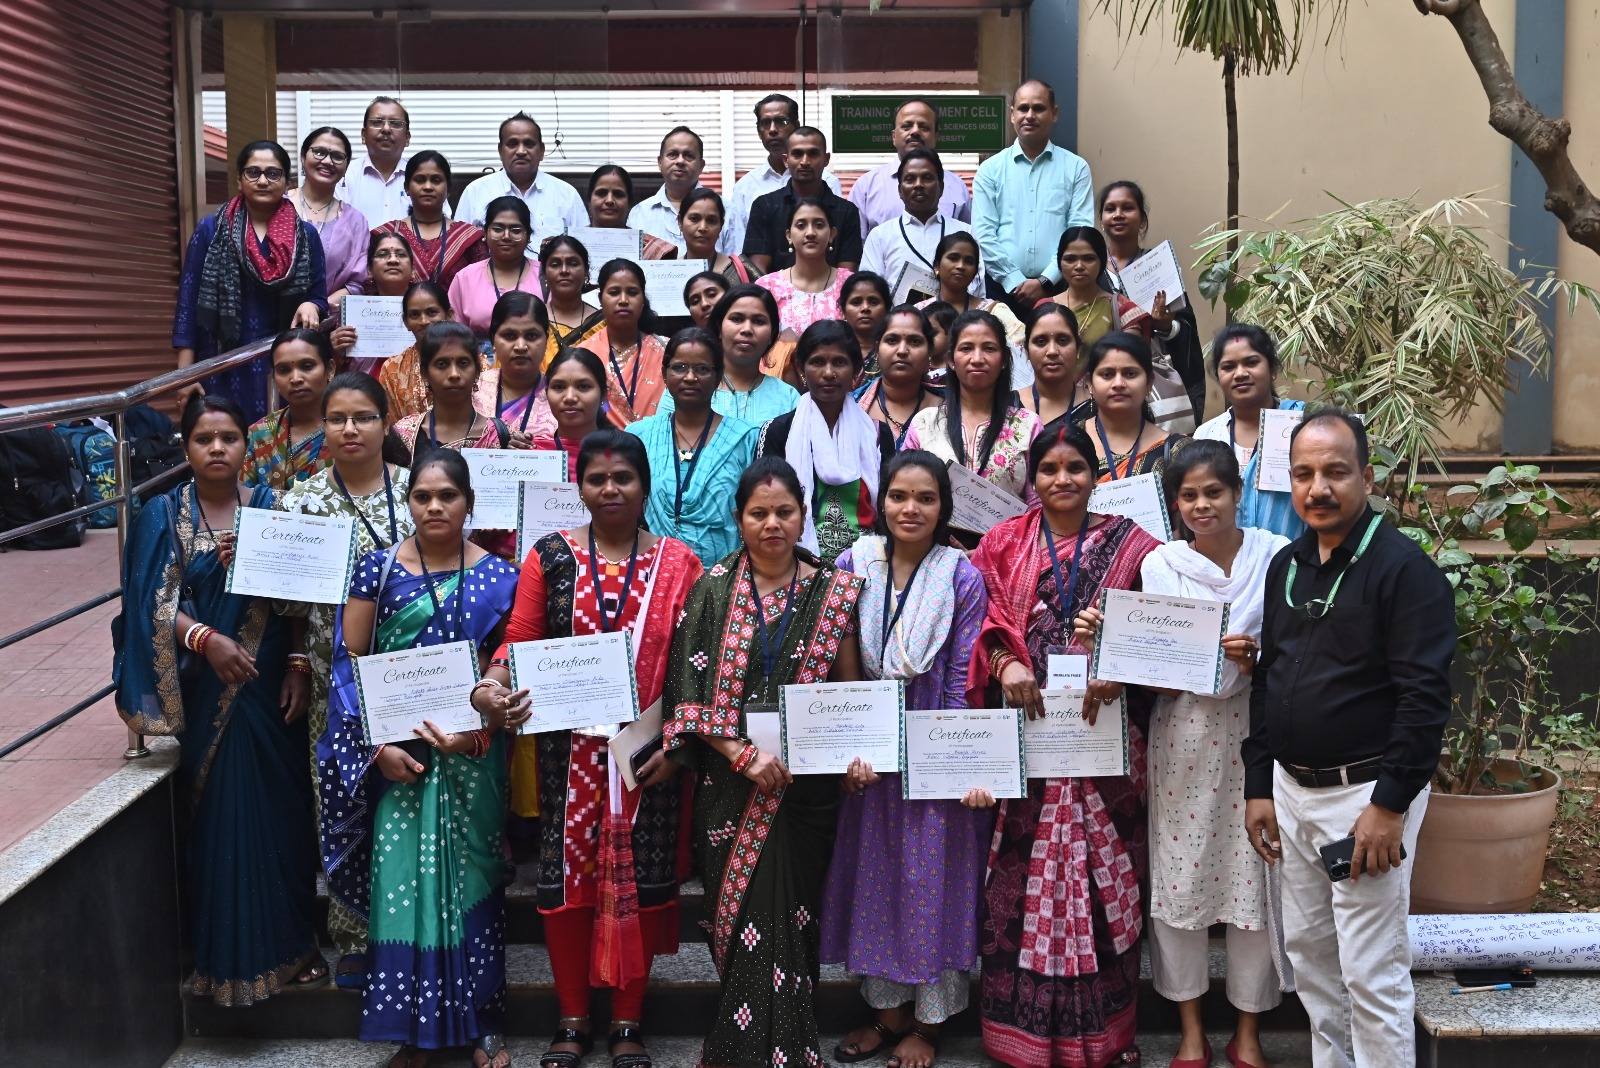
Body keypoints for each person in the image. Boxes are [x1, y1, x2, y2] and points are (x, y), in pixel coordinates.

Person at [469, 430, 704, 1068]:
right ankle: (572, 1018)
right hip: (566, 756)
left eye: (623, 478)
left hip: (647, 758)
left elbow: (696, 665)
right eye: (597, 479)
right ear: (580, 488)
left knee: (643, 883)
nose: (610, 489)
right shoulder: (550, 556)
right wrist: (491, 687)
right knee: (567, 883)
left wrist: (679, 748)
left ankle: (628, 1022)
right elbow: (518, 639)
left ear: (645, 487)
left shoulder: (680, 564)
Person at [1243, 409, 1454, 1068]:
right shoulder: (1287, 565)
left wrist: (1388, 806)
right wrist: (1259, 786)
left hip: (1364, 799)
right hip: (1291, 792)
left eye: (1335, 472)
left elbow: (1424, 699)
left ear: (1367, 476)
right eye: (1303, 474)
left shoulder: (1404, 571)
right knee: (1311, 961)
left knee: (1370, 972)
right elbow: (1268, 679)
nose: (1318, 489)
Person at [1075, 439, 1288, 1068]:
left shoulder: (1276, 558)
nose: (1202, 505)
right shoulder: (1162, 564)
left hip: (1257, 734)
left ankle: (1248, 1032)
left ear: (1237, 493)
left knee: (1257, 878)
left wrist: (1256, 655)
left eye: (1213, 492)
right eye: (1188, 496)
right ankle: (1191, 1030)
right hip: (1184, 738)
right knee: (1179, 879)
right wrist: (1109, 641)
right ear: (1173, 504)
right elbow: (1153, 666)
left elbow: (1297, 651)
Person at [114, 394, 323, 1005]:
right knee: (222, 821)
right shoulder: (162, 514)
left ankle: (291, 945)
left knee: (281, 815)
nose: (216, 448)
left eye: (228, 437)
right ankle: (228, 958)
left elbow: (297, 598)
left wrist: (296, 666)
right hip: (207, 689)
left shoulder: (272, 507)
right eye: (204, 439)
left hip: (268, 683)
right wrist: (205, 639)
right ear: (186, 448)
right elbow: (148, 603)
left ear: (245, 445)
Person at [969, 424, 1162, 1068]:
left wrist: (1118, 659)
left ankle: (1105, 1035)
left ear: (1095, 474)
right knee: (1021, 886)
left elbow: (1163, 632)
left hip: (1106, 747)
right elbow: (982, 620)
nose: (1062, 479)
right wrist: (1006, 665)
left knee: (1108, 890)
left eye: (1075, 467)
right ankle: (1022, 1037)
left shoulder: (1136, 546)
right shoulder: (1002, 542)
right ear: (1031, 477)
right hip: (1029, 746)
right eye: (1048, 469)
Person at [663, 457, 866, 1068]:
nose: (772, 524)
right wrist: (740, 754)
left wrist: (858, 753)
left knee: (793, 918)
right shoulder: (711, 589)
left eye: (784, 512)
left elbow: (849, 693)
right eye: (758, 513)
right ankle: (744, 1048)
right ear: (739, 518)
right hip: (732, 787)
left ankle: (788, 1046)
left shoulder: (834, 590)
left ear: (804, 516)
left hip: (806, 791)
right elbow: (685, 694)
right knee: (744, 917)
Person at [324, 448, 521, 1068]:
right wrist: (375, 747)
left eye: (447, 496)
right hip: (397, 761)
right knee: (404, 887)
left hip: (471, 757)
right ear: (407, 502)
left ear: (470, 504)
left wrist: (481, 725)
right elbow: (348, 662)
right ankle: (414, 1030)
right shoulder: (376, 570)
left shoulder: (502, 577)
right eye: (422, 496)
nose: (434, 507)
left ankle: (484, 1022)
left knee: (474, 884)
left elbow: (506, 665)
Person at [822, 452, 992, 1068]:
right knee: (878, 876)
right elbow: (839, 660)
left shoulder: (961, 575)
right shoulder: (855, 563)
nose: (910, 509)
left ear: (944, 507)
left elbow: (962, 677)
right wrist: (850, 745)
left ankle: (930, 1020)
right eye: (898, 496)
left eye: (925, 498)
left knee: (930, 879)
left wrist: (959, 764)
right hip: (871, 745)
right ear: (881, 501)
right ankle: (886, 1013)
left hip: (933, 742)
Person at [279, 372, 416, 989]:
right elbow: (288, 605)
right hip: (334, 687)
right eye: (337, 419)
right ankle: (354, 935)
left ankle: (413, 927)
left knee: (409, 804)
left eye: (363, 417)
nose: (350, 429)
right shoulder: (300, 503)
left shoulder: (417, 490)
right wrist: (296, 660)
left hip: (414, 678)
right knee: (341, 802)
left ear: (386, 423)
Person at [173, 140, 327, 423]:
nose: (263, 181)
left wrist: (311, 305)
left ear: (287, 182)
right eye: (253, 172)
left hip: (283, 365)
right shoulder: (211, 230)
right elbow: (188, 303)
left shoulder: (305, 236)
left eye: (273, 173)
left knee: (279, 442)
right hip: (221, 361)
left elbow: (318, 295)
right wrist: (184, 376)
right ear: (239, 180)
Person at [756, 321, 896, 562]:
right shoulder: (778, 431)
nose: (829, 372)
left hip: (868, 566)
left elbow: (887, 506)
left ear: (856, 370)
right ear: (801, 367)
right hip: (797, 564)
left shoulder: (877, 435)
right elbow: (766, 503)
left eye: (839, 362)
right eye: (817, 362)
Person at [628, 327, 758, 566]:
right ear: (664, 374)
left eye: (702, 369)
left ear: (718, 376)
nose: (690, 377)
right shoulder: (639, 436)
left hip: (722, 577)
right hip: (651, 573)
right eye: (679, 367)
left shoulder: (746, 439)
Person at [971, 80, 1095, 311]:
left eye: (1038, 108)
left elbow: (1079, 231)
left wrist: (1046, 281)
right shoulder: (989, 170)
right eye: (1023, 108)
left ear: (1054, 113)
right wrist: (1014, 281)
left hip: (1060, 289)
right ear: (1012, 115)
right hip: (1001, 290)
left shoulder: (1076, 168)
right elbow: (983, 234)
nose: (1029, 115)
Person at [905, 310, 1042, 505]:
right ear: (951, 360)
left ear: (1004, 359)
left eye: (989, 348)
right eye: (966, 348)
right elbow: (906, 489)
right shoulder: (924, 423)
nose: (977, 358)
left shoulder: (1027, 425)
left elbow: (1037, 501)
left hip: (1014, 527)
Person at [1100, 180, 1207, 422]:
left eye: (1127, 208)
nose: (1118, 214)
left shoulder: (1159, 266)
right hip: (1104, 381)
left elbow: (1186, 330)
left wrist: (1166, 326)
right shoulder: (1092, 269)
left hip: (1156, 386)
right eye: (1110, 208)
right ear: (1101, 220)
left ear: (1142, 220)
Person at [1194, 324, 1307, 539]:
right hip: (1224, 558)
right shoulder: (1206, 435)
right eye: (1228, 367)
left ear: (1272, 370)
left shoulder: (1300, 425)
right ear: (1218, 376)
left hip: (1293, 554)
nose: (1240, 374)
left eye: (1251, 362)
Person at [721, 93, 843, 256]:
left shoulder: (826, 181)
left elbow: (837, 243)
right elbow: (739, 250)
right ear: (759, 132)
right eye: (765, 123)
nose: (772, 130)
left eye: (781, 121)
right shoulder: (745, 187)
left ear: (796, 126)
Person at [658, 285, 799, 425]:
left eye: (758, 321)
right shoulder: (686, 388)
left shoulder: (787, 398)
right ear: (719, 328)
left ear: (772, 334)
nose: (747, 329)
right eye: (737, 319)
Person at [859, 149, 982, 303]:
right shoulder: (880, 236)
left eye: (927, 178)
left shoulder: (966, 233)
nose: (918, 185)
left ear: (941, 187)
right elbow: (870, 291)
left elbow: (978, 289)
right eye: (910, 179)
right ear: (900, 190)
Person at [393, 321, 517, 468]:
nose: (454, 374)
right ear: (425, 373)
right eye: (442, 364)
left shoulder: (501, 436)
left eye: (463, 363)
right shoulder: (403, 436)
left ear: (477, 371)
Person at [454, 112, 587, 246]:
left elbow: (584, 246)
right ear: (500, 151)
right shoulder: (475, 192)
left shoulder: (567, 195)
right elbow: (459, 247)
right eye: (512, 144)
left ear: (541, 151)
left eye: (529, 144)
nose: (521, 151)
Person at [744, 127, 863, 273]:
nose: (805, 162)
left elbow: (847, 274)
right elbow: (757, 272)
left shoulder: (846, 211)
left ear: (826, 159)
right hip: (772, 288)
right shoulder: (764, 206)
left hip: (833, 288)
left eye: (813, 154)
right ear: (786, 160)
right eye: (797, 154)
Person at [849, 100, 973, 237]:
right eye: (906, 126)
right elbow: (856, 243)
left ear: (936, 137)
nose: (915, 131)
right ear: (894, 137)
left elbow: (968, 241)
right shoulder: (866, 187)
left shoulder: (956, 186)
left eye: (924, 127)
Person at [371, 151, 486, 292]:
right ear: (406, 187)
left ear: (448, 188)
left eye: (436, 180)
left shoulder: (469, 238)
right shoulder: (385, 234)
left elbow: (481, 288)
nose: (428, 187)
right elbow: (370, 289)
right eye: (420, 180)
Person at [1079, 332, 1183, 484]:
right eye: (1107, 374)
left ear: (1149, 383)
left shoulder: (1176, 452)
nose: (1118, 384)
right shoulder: (1066, 442)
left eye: (1130, 374)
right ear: (1089, 384)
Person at [579, 259, 668, 427]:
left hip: (659, 441)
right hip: (601, 442)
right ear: (600, 299)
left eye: (632, 292)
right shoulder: (582, 355)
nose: (623, 300)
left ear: (643, 300)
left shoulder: (667, 351)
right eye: (614, 292)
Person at [243, 328, 335, 490]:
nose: (296, 379)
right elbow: (244, 496)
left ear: (330, 369)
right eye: (284, 370)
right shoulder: (260, 433)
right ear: (274, 377)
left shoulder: (351, 428)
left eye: (307, 366)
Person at [755, 199, 855, 339]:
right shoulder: (767, 286)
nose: (810, 233)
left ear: (832, 234)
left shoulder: (849, 284)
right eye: (801, 226)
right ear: (789, 236)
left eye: (819, 225)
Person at [913, 232, 1024, 357]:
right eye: (953, 258)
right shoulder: (919, 312)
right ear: (937, 266)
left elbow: (1020, 355)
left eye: (969, 261)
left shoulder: (995, 311)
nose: (961, 266)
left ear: (975, 271)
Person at [290, 126, 369, 301]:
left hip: (330, 315)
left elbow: (357, 283)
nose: (327, 161)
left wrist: (319, 306)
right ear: (303, 156)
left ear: (346, 166)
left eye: (337, 156)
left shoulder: (355, 221)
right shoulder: (278, 206)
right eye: (319, 152)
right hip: (274, 313)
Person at [448, 195, 540, 338]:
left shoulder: (544, 276)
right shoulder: (465, 278)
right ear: (485, 233)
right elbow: (453, 335)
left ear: (528, 236)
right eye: (498, 229)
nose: (506, 236)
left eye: (515, 230)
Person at [1049, 226, 1152, 349]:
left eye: (1088, 259)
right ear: (1059, 262)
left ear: (1102, 262)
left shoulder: (1123, 310)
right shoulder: (1045, 308)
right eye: (1070, 259)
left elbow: (1131, 357)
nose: (1079, 266)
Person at [472, 291, 556, 441]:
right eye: (510, 336)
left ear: (546, 341)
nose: (521, 346)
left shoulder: (560, 394)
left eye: (531, 336)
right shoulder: (473, 389)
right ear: (493, 340)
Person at [855, 306, 941, 450]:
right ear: (877, 350)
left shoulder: (951, 409)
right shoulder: (851, 407)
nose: (902, 351)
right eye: (892, 340)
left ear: (930, 352)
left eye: (915, 341)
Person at [342, 232, 419, 375]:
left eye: (401, 254)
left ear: (413, 270)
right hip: (362, 386)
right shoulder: (353, 313)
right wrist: (337, 349)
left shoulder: (429, 311)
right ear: (369, 270)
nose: (393, 260)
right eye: (383, 254)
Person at [378, 281, 452, 425]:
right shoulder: (392, 368)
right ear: (405, 322)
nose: (423, 321)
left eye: (432, 312)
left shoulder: (471, 361)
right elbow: (390, 425)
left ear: (448, 315)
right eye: (415, 315)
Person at [532, 346, 608, 481]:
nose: (570, 397)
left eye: (583, 386)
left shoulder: (623, 452)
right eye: (559, 387)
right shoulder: (532, 453)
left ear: (603, 394)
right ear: (546, 393)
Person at [336, 96, 411, 225]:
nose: (386, 129)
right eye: (377, 122)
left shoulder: (422, 178)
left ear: (407, 138)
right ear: (363, 135)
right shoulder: (343, 175)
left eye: (395, 123)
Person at [1015, 303, 1090, 430]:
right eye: (1041, 341)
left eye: (1062, 340)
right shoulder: (1008, 406)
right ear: (1027, 350)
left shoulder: (1098, 408)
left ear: (1078, 349)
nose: (1052, 351)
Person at [628, 126, 707, 245]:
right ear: (660, 162)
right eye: (673, 154)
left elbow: (733, 256)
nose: (680, 161)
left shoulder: (725, 211)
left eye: (688, 155)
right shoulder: (639, 213)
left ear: (701, 165)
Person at [539, 235, 606, 365]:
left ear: (586, 272)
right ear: (544, 273)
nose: (564, 271)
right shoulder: (533, 322)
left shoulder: (603, 325)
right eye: (555, 264)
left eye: (573, 264)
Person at [679, 187, 763, 284]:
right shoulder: (668, 271)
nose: (702, 227)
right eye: (694, 219)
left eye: (711, 220)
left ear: (721, 225)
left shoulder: (740, 270)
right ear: (680, 222)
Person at [841, 271, 891, 379]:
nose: (865, 308)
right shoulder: (834, 349)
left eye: (873, 302)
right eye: (856, 302)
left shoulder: (895, 351)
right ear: (843, 310)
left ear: (887, 309)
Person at [587, 164, 636, 229]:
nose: (609, 200)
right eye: (601, 193)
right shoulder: (574, 235)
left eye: (618, 194)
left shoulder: (643, 236)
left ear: (629, 203)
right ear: (589, 202)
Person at [923, 301, 958, 379]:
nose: (927, 338)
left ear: (951, 333)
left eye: (933, 333)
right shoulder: (919, 366)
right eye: (923, 333)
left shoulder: (957, 371)